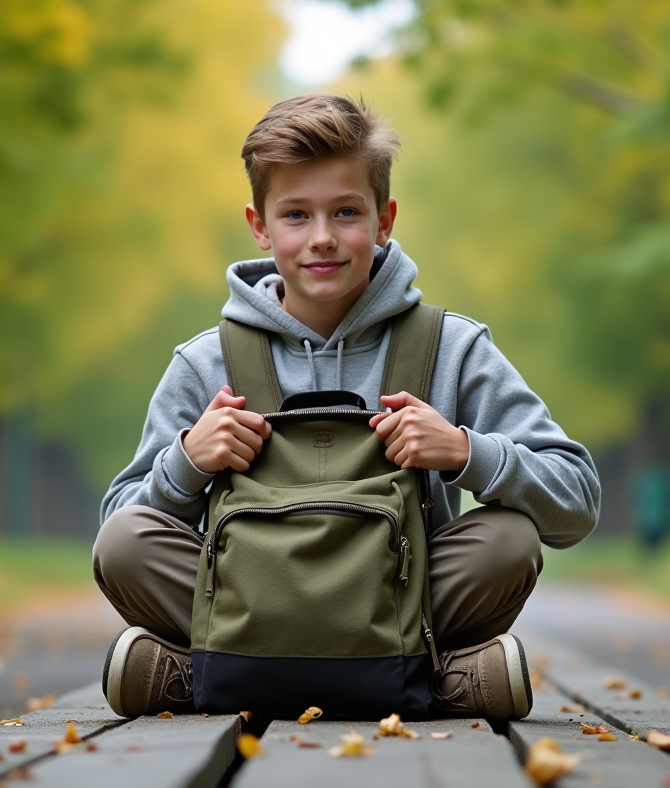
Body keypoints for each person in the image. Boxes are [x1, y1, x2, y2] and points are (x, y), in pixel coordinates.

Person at [93, 92, 600, 721]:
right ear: (260, 225)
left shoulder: (453, 347)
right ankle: (445, 684)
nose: (323, 238)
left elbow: (576, 503)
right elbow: (116, 528)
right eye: (297, 215)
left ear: (385, 219)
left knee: (509, 539)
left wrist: (468, 452)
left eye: (346, 212)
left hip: (402, 608)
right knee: (124, 543)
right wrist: (186, 463)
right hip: (251, 605)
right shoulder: (206, 362)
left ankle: (193, 680)